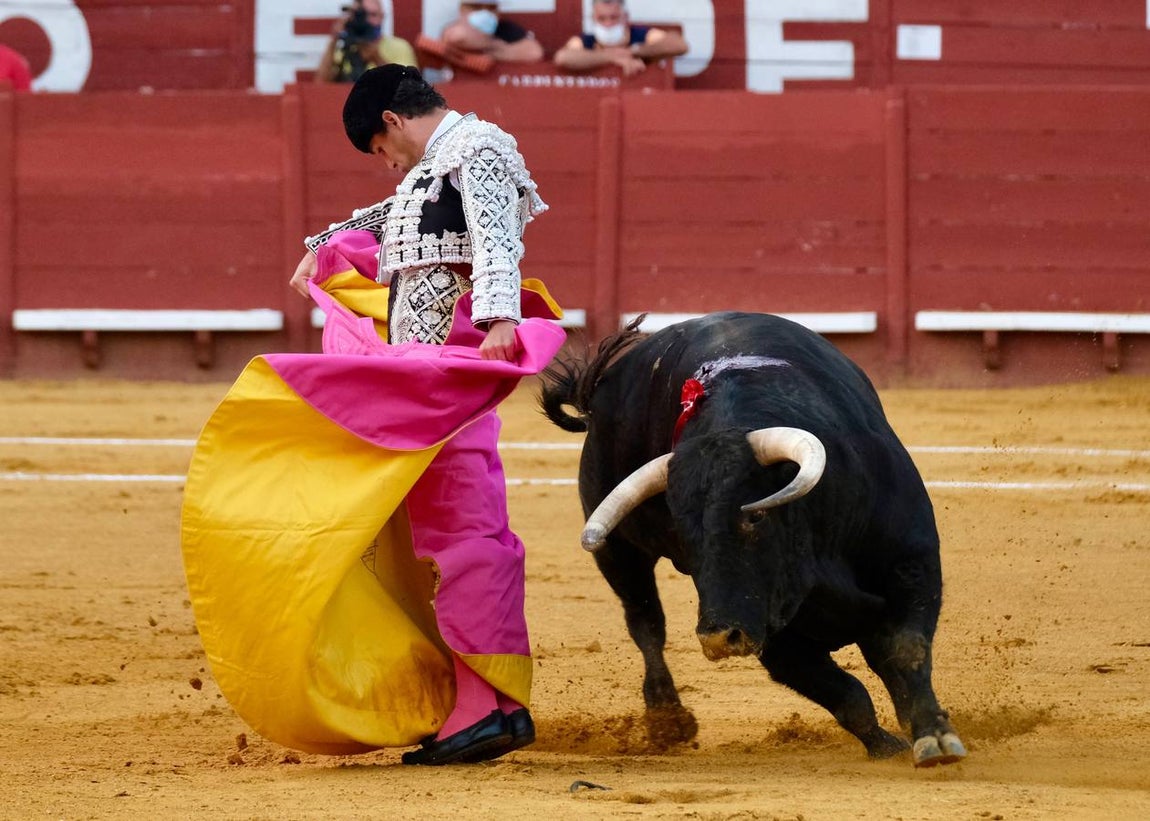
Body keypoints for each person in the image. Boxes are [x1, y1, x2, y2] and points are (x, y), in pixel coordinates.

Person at [289, 64, 550, 765]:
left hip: (452, 368)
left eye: (379, 148)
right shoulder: (434, 167)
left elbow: (498, 237)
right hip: (423, 374)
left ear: (394, 122)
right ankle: (491, 702)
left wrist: (499, 316)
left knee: (462, 530)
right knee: (448, 528)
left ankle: (487, 703)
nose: (385, 164)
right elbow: (390, 216)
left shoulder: (480, 148)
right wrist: (325, 244)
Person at [554, 0, 687, 77]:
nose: (608, 23)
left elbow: (678, 44)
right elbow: (563, 57)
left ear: (625, 16)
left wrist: (632, 52)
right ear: (593, 19)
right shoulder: (585, 40)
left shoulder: (640, 35)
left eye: (614, 17)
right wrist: (613, 57)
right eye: (602, 18)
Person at [316, 0, 417, 83]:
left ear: (382, 17)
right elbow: (321, 84)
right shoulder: (346, 48)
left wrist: (376, 58)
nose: (366, 21)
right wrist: (334, 41)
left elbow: (410, 85)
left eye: (372, 15)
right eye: (361, 15)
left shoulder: (400, 47)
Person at [439, 1, 544, 64]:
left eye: (491, 8)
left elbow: (534, 52)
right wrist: (496, 47)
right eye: (476, 7)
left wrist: (492, 49)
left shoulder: (505, 28)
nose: (485, 13)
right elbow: (454, 38)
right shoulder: (454, 27)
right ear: (462, 10)